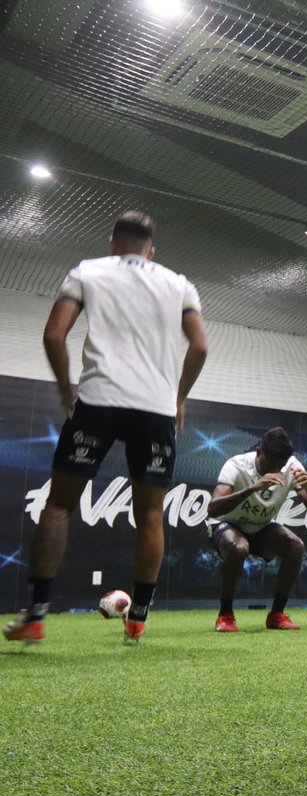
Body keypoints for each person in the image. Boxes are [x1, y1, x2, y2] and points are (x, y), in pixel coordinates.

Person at [5, 211, 207, 645]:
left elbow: (53, 335)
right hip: (155, 410)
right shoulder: (179, 284)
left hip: (96, 402)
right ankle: (138, 618)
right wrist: (179, 397)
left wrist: (65, 391)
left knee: (59, 505)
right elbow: (200, 346)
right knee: (151, 512)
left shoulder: (88, 270)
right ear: (152, 252)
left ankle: (36, 616)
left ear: (113, 241)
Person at [205, 428, 307, 632]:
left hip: (259, 528)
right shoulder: (237, 465)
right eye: (269, 465)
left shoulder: (292, 468)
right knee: (239, 547)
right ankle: (225, 615)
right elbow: (213, 508)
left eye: (279, 466)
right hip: (226, 525)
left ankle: (277, 615)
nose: (275, 471)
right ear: (259, 452)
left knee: (296, 545)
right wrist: (252, 488)